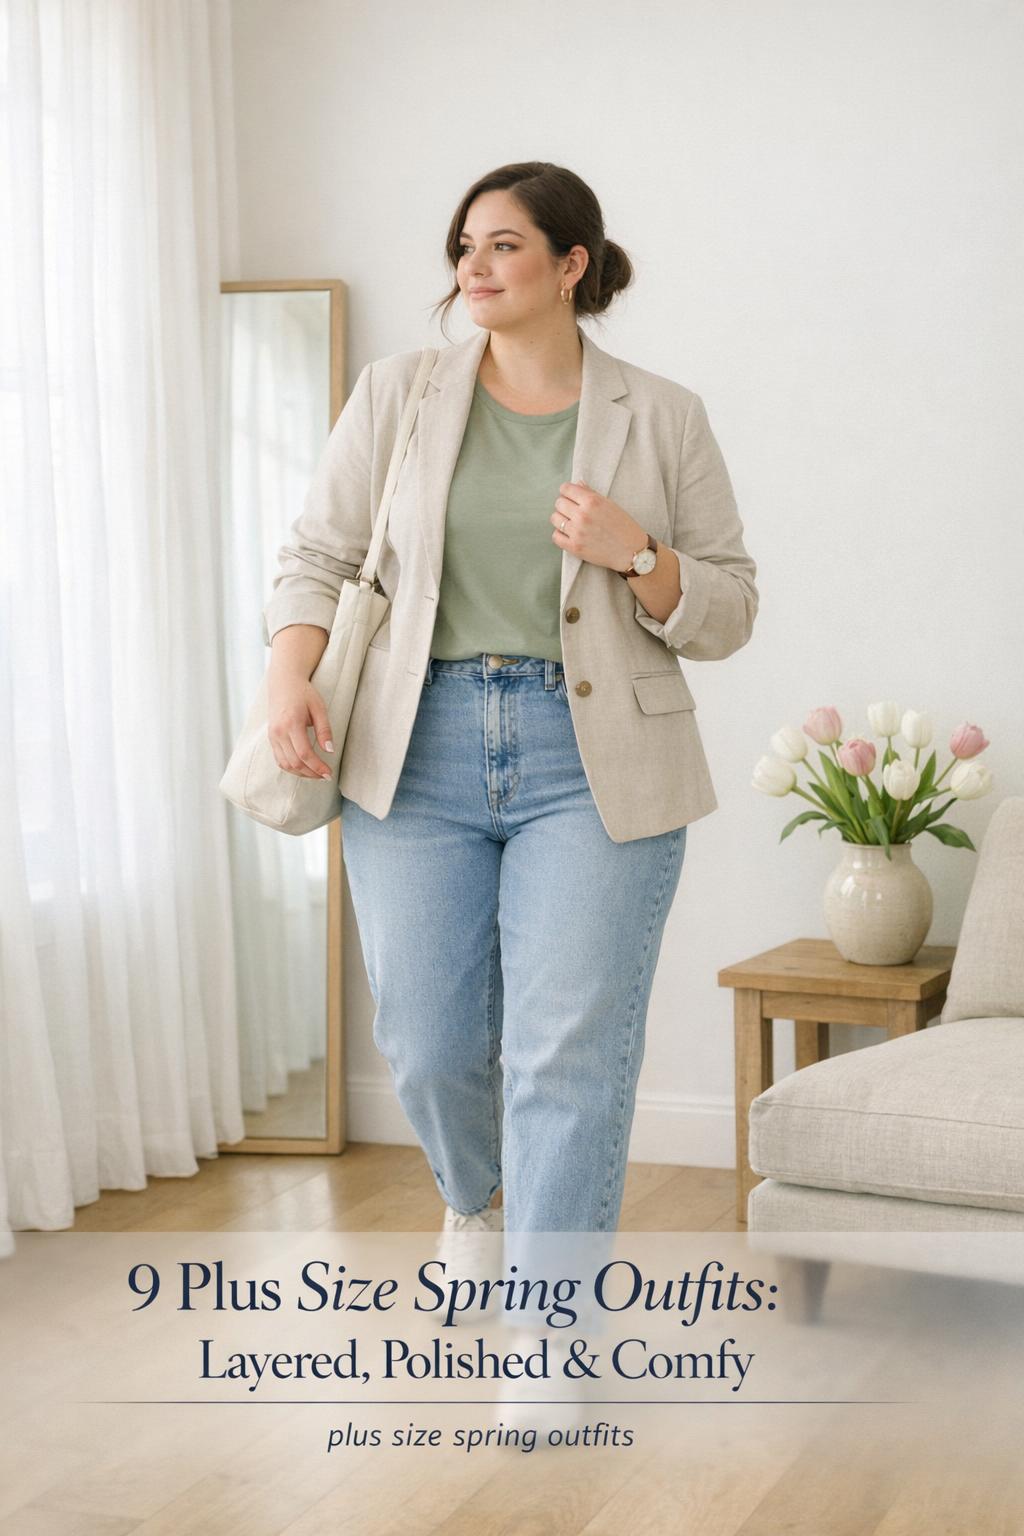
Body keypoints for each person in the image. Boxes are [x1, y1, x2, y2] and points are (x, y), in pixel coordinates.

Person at [262, 161, 759, 1236]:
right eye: (463, 246)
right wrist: (286, 675)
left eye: (502, 245)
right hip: (414, 745)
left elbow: (728, 609)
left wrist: (639, 555)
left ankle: (550, 1339)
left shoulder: (661, 415)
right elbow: (316, 553)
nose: (472, 267)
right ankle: (473, 1203)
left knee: (566, 1050)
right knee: (429, 1042)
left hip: (594, 758)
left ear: (569, 264)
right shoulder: (398, 395)